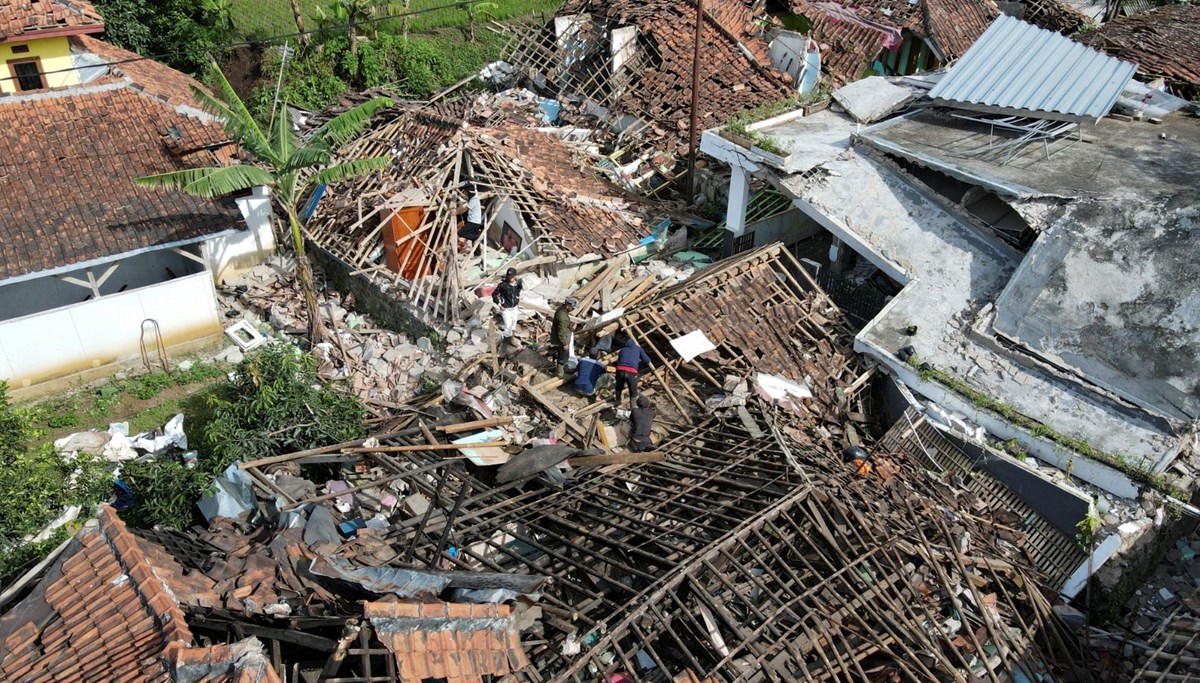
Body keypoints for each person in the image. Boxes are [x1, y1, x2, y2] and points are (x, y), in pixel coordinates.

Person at [613, 337, 651, 411]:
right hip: (631, 372)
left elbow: (620, 360)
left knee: (619, 386)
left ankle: (617, 401)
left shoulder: (622, 350)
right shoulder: (638, 349)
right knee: (633, 390)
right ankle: (633, 408)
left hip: (620, 370)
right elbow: (647, 360)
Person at [492, 268, 522, 340]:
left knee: (513, 326)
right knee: (508, 326)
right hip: (506, 309)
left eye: (511, 276)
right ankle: (506, 341)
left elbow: (519, 291)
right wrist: (499, 305)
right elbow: (494, 295)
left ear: (515, 276)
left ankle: (512, 339)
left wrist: (517, 298)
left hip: (515, 308)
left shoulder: (518, 284)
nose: (510, 278)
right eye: (508, 276)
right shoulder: (503, 285)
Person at [550, 297, 576, 378]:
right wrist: (564, 343)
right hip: (561, 340)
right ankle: (560, 373)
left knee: (564, 355)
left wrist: (569, 325)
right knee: (563, 356)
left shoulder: (561, 310)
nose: (573, 309)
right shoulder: (563, 317)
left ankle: (561, 369)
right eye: (572, 308)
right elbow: (561, 332)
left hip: (560, 337)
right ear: (567, 306)